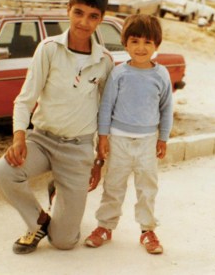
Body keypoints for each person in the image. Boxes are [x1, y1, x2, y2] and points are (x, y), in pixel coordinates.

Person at [0, 0, 113, 255]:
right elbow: (25, 99)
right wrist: (19, 136)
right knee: (2, 172)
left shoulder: (104, 61)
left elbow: (105, 110)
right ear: (68, 10)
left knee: (64, 241)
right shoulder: (48, 49)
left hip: (77, 148)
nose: (84, 22)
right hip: (41, 140)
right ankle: (38, 221)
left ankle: (58, 190)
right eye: (79, 12)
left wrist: (99, 156)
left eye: (93, 16)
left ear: (101, 19)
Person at [84, 14, 173, 254]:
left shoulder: (161, 75)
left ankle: (147, 230)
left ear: (156, 45)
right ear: (125, 43)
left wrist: (163, 138)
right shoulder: (119, 73)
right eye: (135, 41)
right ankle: (105, 226)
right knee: (113, 186)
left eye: (148, 42)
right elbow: (106, 107)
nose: (141, 48)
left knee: (147, 188)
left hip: (147, 143)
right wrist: (102, 138)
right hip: (119, 141)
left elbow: (166, 109)